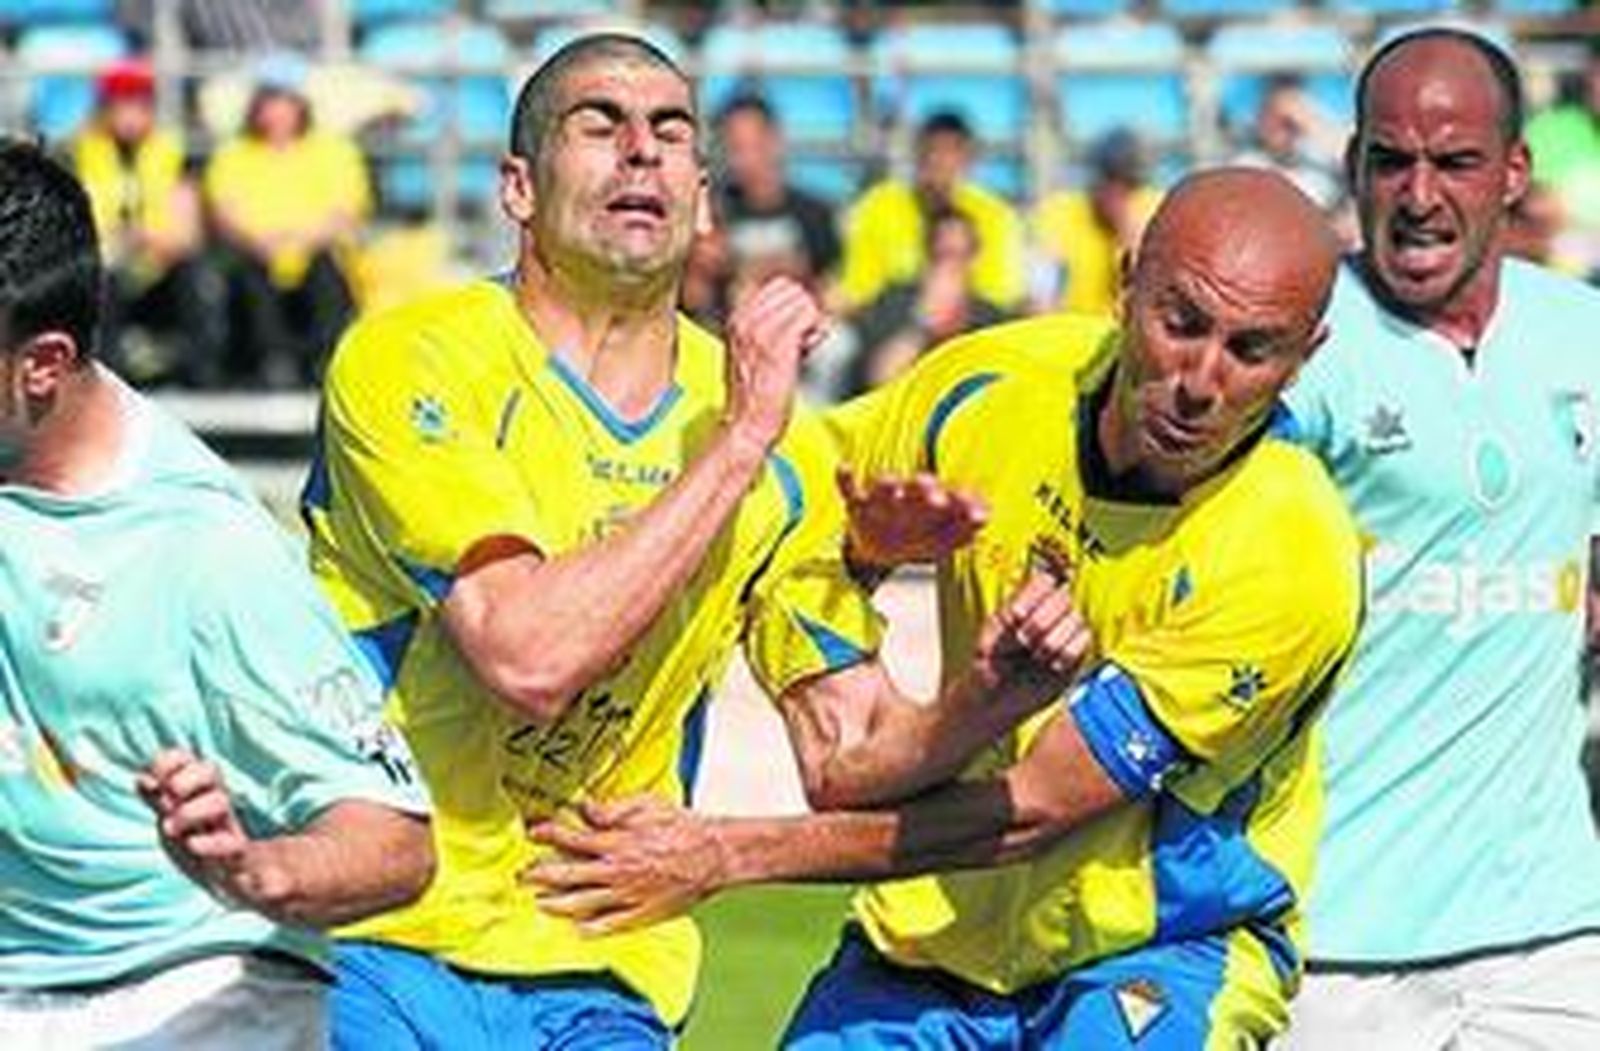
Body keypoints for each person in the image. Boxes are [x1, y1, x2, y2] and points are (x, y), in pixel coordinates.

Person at [304, 33, 1055, 1049]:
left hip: (605, 961)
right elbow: (526, 655)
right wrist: (739, 442)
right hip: (381, 936)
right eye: (598, 125)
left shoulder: (781, 440)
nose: (640, 151)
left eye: (668, 130)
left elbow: (849, 761)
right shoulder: (412, 360)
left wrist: (996, 686)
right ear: (517, 187)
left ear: (702, 198)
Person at [526, 168, 1364, 1048]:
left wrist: (723, 852)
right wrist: (852, 597)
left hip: (1156, 949)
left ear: (1305, 355)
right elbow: (798, 499)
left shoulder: (1291, 551)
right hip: (931, 935)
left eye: (1251, 349)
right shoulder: (992, 386)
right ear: (1125, 284)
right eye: (1181, 322)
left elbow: (1031, 810)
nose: (1200, 379)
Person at [0, 140, 433, 1049]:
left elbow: (395, 842)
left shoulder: (207, 552)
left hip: (190, 990)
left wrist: (255, 868)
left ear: (40, 363)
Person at [1270, 28, 1600, 1048]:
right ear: (1352, 165)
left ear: (1511, 173)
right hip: (1331, 937)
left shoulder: (1580, 333)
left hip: (1548, 928)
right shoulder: (1294, 344)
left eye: (1453, 162)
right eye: (1389, 159)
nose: (1418, 195)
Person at [204, 55, 367, 388]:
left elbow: (346, 212)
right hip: (257, 256)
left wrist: (301, 240)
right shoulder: (232, 153)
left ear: (300, 106)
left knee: (324, 268)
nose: (276, 111)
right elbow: (224, 214)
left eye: (284, 101)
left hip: (315, 255)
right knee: (250, 271)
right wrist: (260, 241)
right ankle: (273, 362)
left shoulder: (335, 150)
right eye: (269, 101)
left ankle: (325, 362)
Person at [71, 56, 226, 387]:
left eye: (138, 104)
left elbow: (188, 232)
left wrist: (149, 240)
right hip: (102, 263)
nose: (130, 113)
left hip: (159, 259)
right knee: (98, 280)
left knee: (193, 273)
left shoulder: (174, 152)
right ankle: (105, 379)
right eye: (121, 104)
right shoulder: (77, 152)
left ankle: (202, 374)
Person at [838, 110, 1025, 314]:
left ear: (969, 158)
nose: (938, 161)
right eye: (930, 150)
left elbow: (999, 296)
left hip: (969, 328)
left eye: (950, 152)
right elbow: (859, 288)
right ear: (916, 154)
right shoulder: (877, 205)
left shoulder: (997, 216)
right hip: (892, 324)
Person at [849, 207, 1009, 394]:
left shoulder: (991, 317)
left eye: (960, 256)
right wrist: (923, 323)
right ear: (927, 257)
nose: (950, 268)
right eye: (943, 256)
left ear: (974, 259)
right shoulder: (894, 302)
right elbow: (879, 379)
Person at [1032, 127, 1161, 317]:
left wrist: (1124, 235)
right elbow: (1039, 296)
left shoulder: (1155, 209)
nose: (1117, 193)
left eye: (1130, 185)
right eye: (1111, 180)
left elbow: (1148, 293)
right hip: (1071, 333)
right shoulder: (1058, 213)